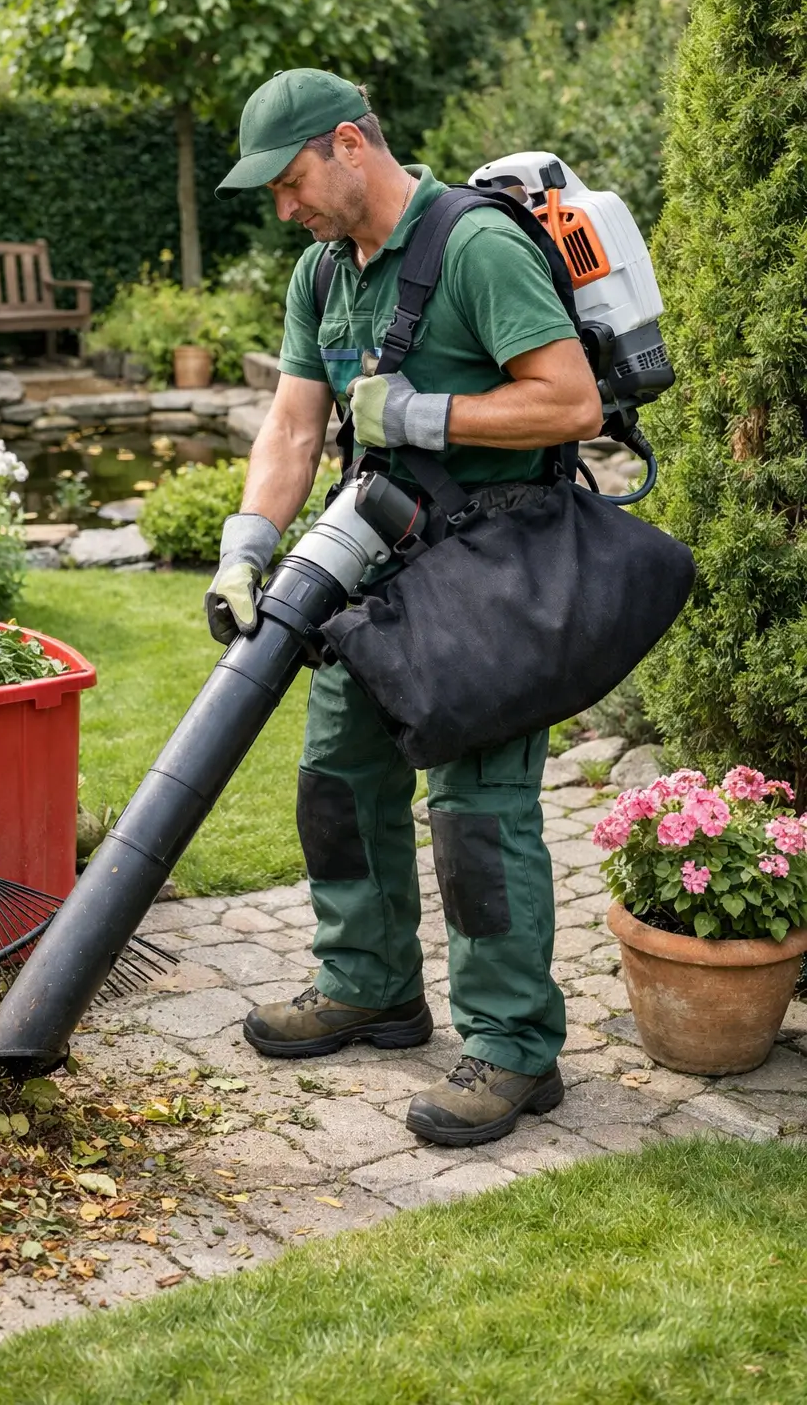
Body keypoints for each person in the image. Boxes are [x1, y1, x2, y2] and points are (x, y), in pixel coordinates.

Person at [207, 68, 602, 1148]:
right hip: (376, 562)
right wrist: (247, 546)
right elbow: (294, 428)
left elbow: (570, 400)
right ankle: (369, 986)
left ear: (347, 144)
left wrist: (422, 410)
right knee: (336, 779)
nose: (284, 209)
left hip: (492, 568)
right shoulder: (322, 275)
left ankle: (515, 1047)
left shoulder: (474, 246)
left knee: (476, 814)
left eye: (290, 183)